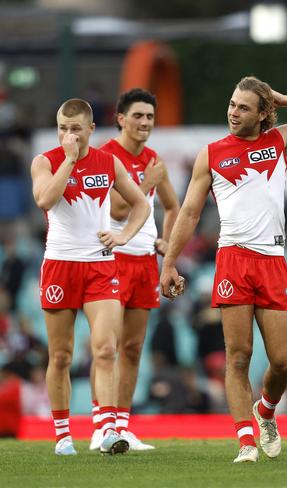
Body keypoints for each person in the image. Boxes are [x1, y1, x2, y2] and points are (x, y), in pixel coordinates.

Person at [160, 76, 287, 463]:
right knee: (238, 355)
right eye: (231, 104)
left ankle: (266, 411)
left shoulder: (280, 140)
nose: (233, 112)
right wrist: (170, 262)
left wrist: (281, 97)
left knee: (282, 361)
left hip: (272, 261)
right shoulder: (211, 154)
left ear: (263, 114)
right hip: (233, 259)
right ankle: (245, 440)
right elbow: (191, 211)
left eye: (243, 107)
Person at [30, 98, 150, 455]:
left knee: (107, 349)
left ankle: (109, 429)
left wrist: (124, 235)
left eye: (76, 129)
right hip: (60, 265)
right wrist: (68, 159)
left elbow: (141, 203)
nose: (69, 135)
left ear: (91, 130)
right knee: (62, 355)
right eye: (63, 129)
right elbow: (45, 201)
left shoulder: (108, 162)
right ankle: (63, 434)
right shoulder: (45, 161)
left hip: (100, 265)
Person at [88, 88, 180, 451]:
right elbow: (117, 211)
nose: (145, 123)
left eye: (150, 117)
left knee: (133, 347)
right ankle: (101, 425)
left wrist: (165, 243)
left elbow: (173, 207)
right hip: (112, 258)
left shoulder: (155, 159)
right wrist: (145, 183)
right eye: (138, 116)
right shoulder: (106, 157)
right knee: (105, 346)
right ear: (121, 119)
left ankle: (122, 426)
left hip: (144, 261)